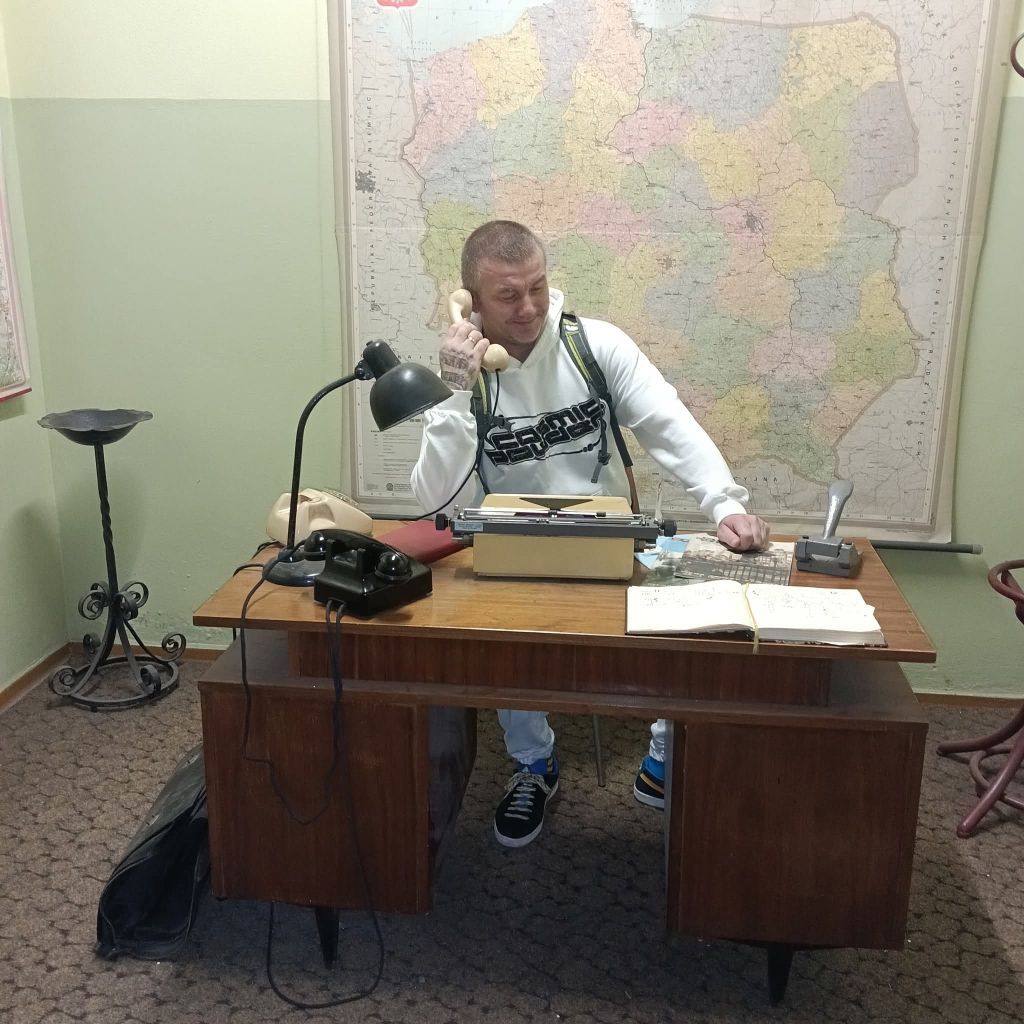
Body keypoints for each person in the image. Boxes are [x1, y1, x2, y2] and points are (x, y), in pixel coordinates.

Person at [411, 221, 769, 848]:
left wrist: (722, 501)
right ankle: (534, 764)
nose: (528, 308)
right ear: (470, 300)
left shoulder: (594, 345)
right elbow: (438, 501)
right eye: (507, 296)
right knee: (508, 649)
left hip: (605, 538)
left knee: (681, 628)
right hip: (511, 547)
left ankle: (663, 756)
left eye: (537, 287)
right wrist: (453, 395)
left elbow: (667, 423)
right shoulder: (463, 373)